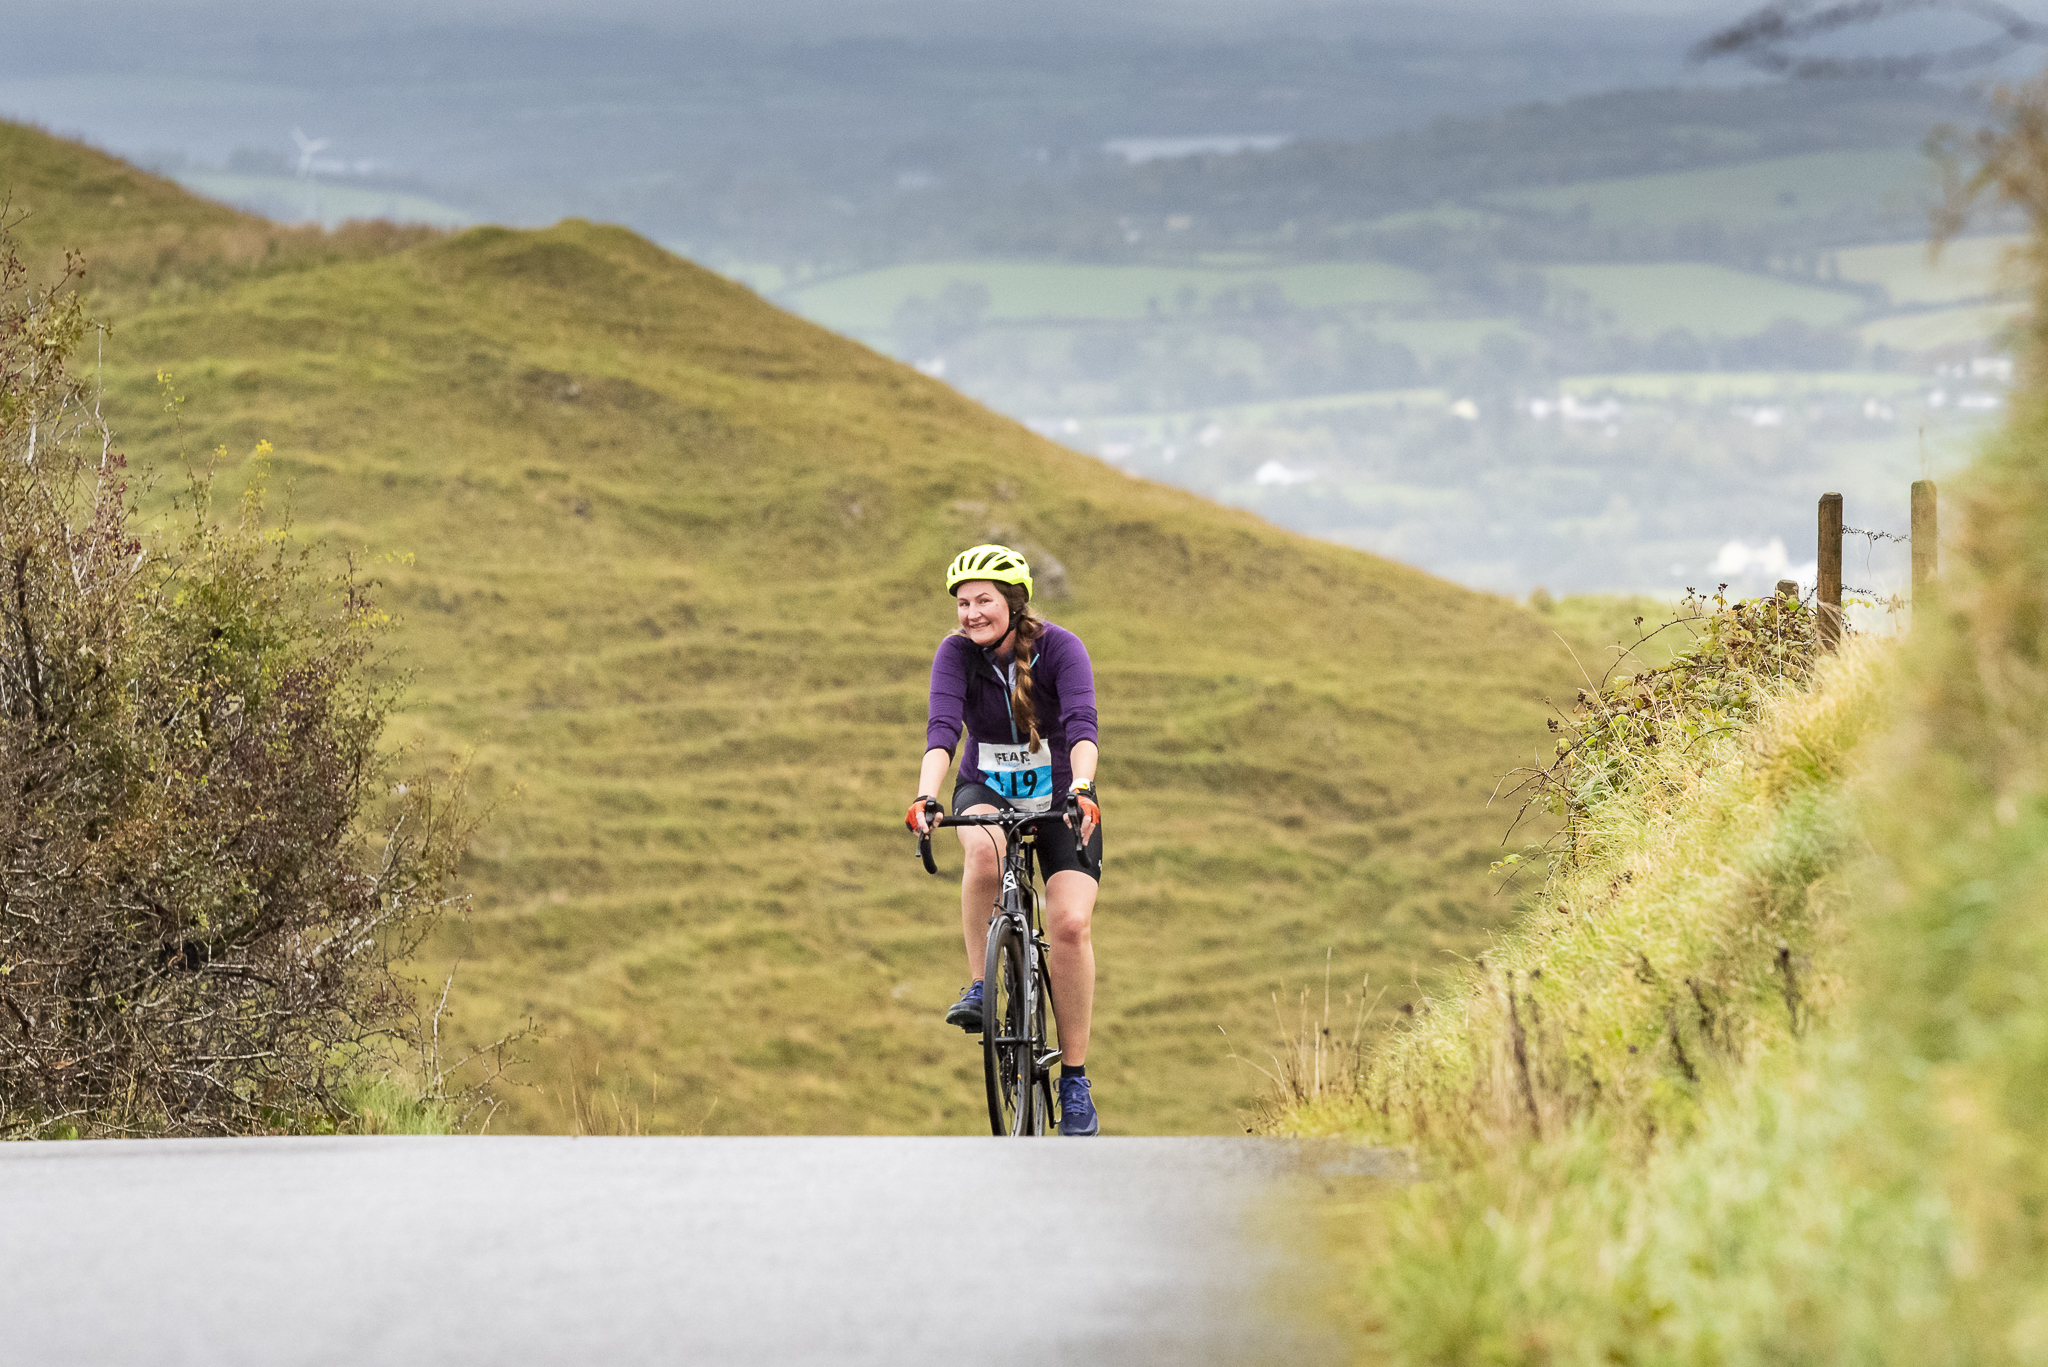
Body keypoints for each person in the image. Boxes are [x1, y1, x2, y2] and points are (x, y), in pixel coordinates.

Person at [904, 544, 1104, 1137]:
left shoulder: (1061, 649)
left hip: (1062, 795)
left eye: (983, 601)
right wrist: (925, 796)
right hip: (986, 788)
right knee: (985, 852)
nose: (970, 614)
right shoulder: (955, 655)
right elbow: (943, 729)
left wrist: (1083, 787)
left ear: (1013, 604)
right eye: (962, 603)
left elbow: (1083, 726)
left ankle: (1074, 1081)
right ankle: (981, 984)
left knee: (1071, 925)